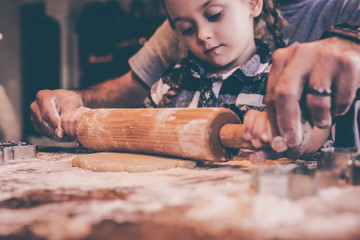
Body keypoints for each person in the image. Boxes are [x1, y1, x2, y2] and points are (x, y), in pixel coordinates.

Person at [31, 0, 360, 153]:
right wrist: (84, 116)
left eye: (214, 15)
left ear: (253, 3)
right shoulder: (173, 80)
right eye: (185, 30)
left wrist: (288, 132)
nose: (203, 35)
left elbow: (314, 133)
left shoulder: (277, 73)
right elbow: (137, 124)